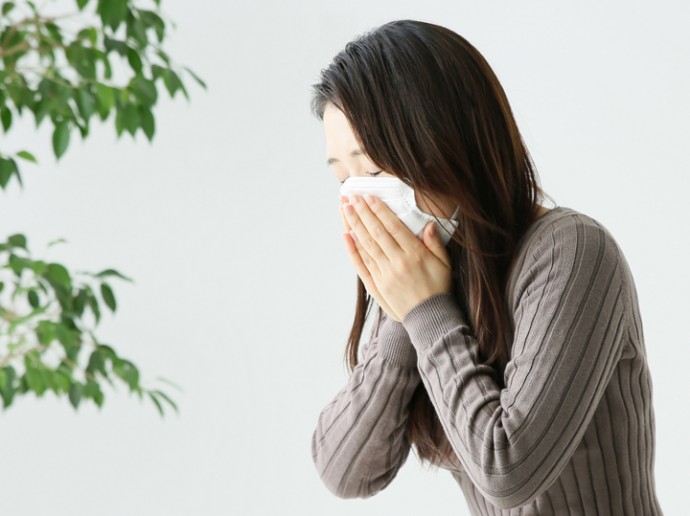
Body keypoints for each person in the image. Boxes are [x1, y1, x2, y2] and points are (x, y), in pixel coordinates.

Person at [309, 19, 664, 515]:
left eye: (371, 171)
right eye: (343, 179)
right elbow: (343, 471)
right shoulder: (433, 270)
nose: (359, 199)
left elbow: (509, 470)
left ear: (443, 141)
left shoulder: (573, 252)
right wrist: (405, 314)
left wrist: (426, 310)